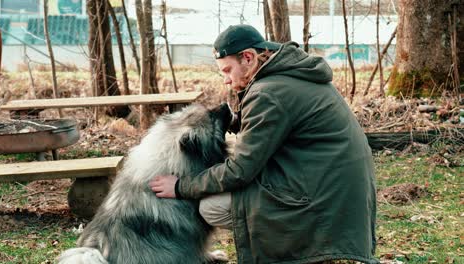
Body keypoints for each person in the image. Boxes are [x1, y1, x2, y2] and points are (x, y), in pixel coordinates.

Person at [150, 24, 378, 264]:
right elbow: (283, 124)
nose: (226, 80)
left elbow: (239, 171)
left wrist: (181, 186)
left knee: (211, 207)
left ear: (248, 57)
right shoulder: (288, 73)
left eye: (228, 70)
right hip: (334, 186)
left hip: (321, 196)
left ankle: (300, 250)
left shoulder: (268, 93)